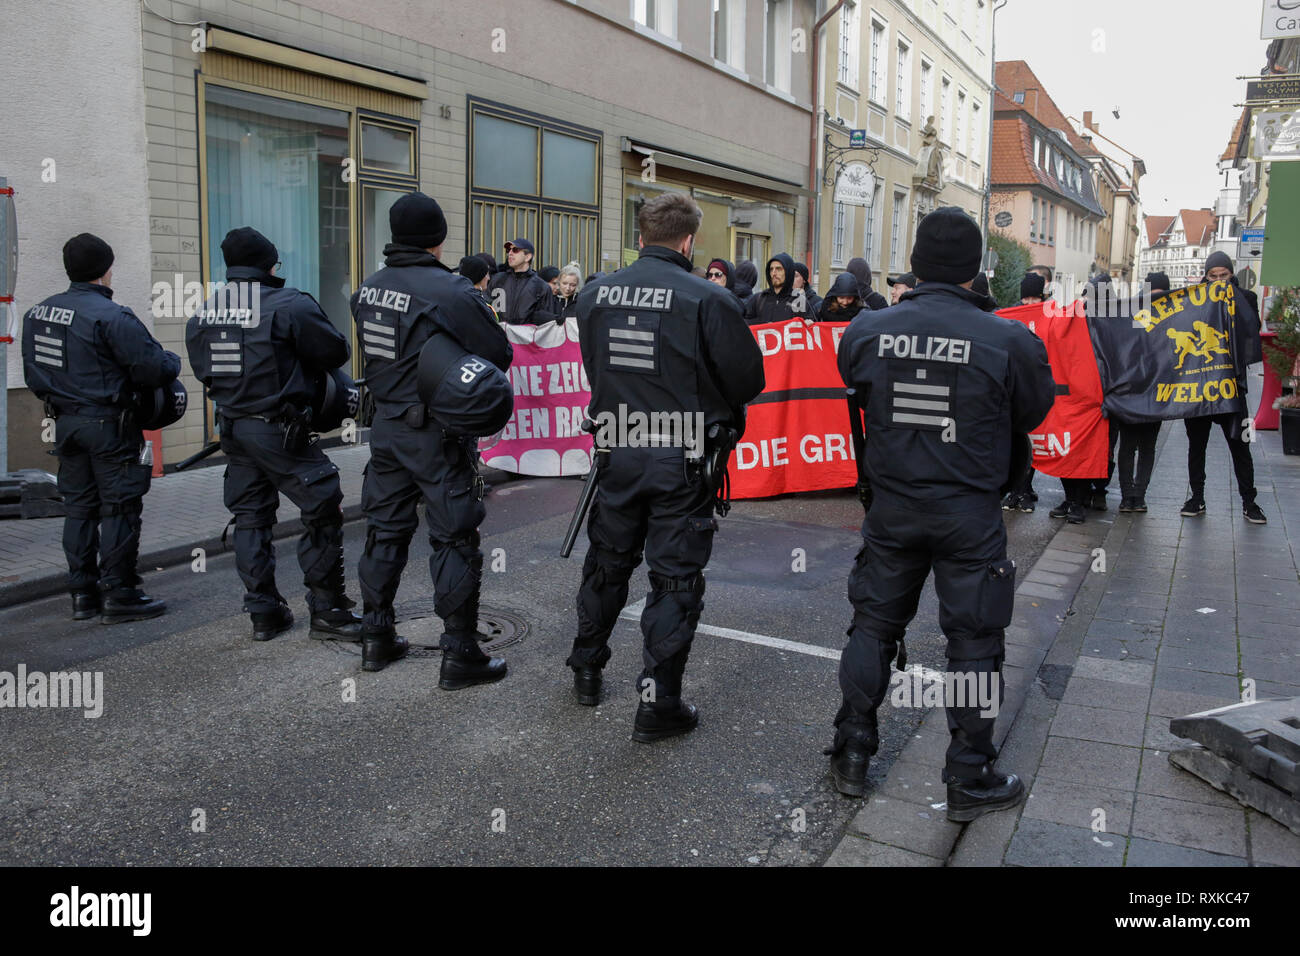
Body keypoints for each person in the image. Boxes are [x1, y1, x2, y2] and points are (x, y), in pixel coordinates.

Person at [831, 207, 1056, 818]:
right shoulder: (1011, 339)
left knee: (874, 625)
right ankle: (967, 775)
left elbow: (854, 382)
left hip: (894, 504)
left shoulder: (868, 329)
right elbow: (1033, 413)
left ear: (917, 263)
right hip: (969, 510)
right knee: (975, 641)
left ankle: (852, 751)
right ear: (976, 270)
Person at [567, 192, 764, 741]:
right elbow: (749, 381)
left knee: (607, 562)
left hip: (616, 446)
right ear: (688, 240)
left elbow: (593, 363)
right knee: (674, 579)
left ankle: (586, 667)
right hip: (681, 456)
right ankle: (659, 704)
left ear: (641, 236)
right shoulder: (707, 298)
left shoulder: (595, 292)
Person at [351, 192, 514, 683]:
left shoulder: (369, 287)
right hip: (437, 433)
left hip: (386, 429)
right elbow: (497, 354)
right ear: (438, 239)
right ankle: (461, 653)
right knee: (454, 537)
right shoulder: (451, 291)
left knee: (384, 531)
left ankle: (376, 638)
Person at [185, 227, 362, 641]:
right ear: (270, 264)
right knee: (321, 504)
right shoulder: (288, 304)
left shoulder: (204, 313)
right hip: (280, 431)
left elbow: (201, 370)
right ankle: (329, 611)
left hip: (234, 429)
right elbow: (336, 352)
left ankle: (264, 613)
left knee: (250, 518)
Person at [21, 233, 181, 624]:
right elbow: (152, 369)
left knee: (78, 510)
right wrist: (172, 360)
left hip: (66, 425)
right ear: (106, 270)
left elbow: (34, 373)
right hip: (109, 425)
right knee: (120, 509)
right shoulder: (112, 316)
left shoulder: (39, 313)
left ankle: (83, 595)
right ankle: (120, 594)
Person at [1181, 252, 1266, 524]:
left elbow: (1252, 329)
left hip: (1232, 386)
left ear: (1232, 275)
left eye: (1224, 275)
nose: (1218, 280)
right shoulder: (1194, 301)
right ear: (1206, 276)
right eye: (1213, 276)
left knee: (1240, 445)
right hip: (1201, 387)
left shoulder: (1247, 298)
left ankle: (1249, 502)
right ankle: (1197, 497)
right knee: (1197, 445)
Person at [1113, 272, 1172, 513]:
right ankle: (1128, 495)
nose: (1156, 299)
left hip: (1155, 394)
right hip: (1132, 393)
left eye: (1161, 295)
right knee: (1128, 446)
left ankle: (1139, 495)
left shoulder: (1173, 318)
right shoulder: (1132, 315)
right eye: (1153, 294)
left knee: (1147, 446)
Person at [1001, 272, 1051, 514]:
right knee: (1019, 441)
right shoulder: (1012, 317)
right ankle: (1017, 491)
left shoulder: (1051, 315)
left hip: (1034, 383)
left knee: (1034, 442)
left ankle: (1025, 490)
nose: (1030, 303)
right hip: (1016, 385)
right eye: (1027, 298)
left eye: (1035, 298)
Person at [487, 238, 558, 325]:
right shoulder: (497, 279)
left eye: (515, 250)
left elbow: (546, 324)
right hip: (498, 336)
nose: (510, 253)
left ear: (528, 257)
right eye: (509, 250)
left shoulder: (541, 287)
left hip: (526, 337)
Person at [743, 253, 814, 324]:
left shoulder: (799, 301)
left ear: (788, 272)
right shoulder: (759, 299)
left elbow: (812, 330)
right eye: (771, 269)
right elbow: (743, 325)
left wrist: (809, 324)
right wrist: (764, 324)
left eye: (778, 269)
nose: (774, 273)